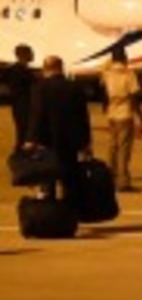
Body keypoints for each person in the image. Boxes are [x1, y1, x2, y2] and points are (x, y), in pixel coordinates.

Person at [24, 54, 95, 206]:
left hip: (47, 140)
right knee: (70, 178)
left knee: (48, 178)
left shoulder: (39, 88)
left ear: (45, 69)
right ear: (61, 68)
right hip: (70, 141)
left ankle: (49, 215)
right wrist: (86, 141)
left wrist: (31, 138)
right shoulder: (74, 87)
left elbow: (37, 115)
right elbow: (83, 116)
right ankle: (70, 212)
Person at [98, 46, 142, 191]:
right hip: (124, 113)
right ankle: (123, 181)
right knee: (123, 149)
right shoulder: (128, 74)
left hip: (111, 113)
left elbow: (102, 92)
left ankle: (109, 177)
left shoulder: (106, 74)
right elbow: (134, 96)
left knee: (112, 147)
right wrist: (140, 117)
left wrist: (105, 108)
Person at [4, 43, 37, 150]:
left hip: (21, 105)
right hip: (23, 106)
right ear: (24, 55)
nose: (33, 55)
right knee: (24, 131)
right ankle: (21, 153)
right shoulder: (18, 71)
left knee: (24, 131)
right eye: (31, 52)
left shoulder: (18, 70)